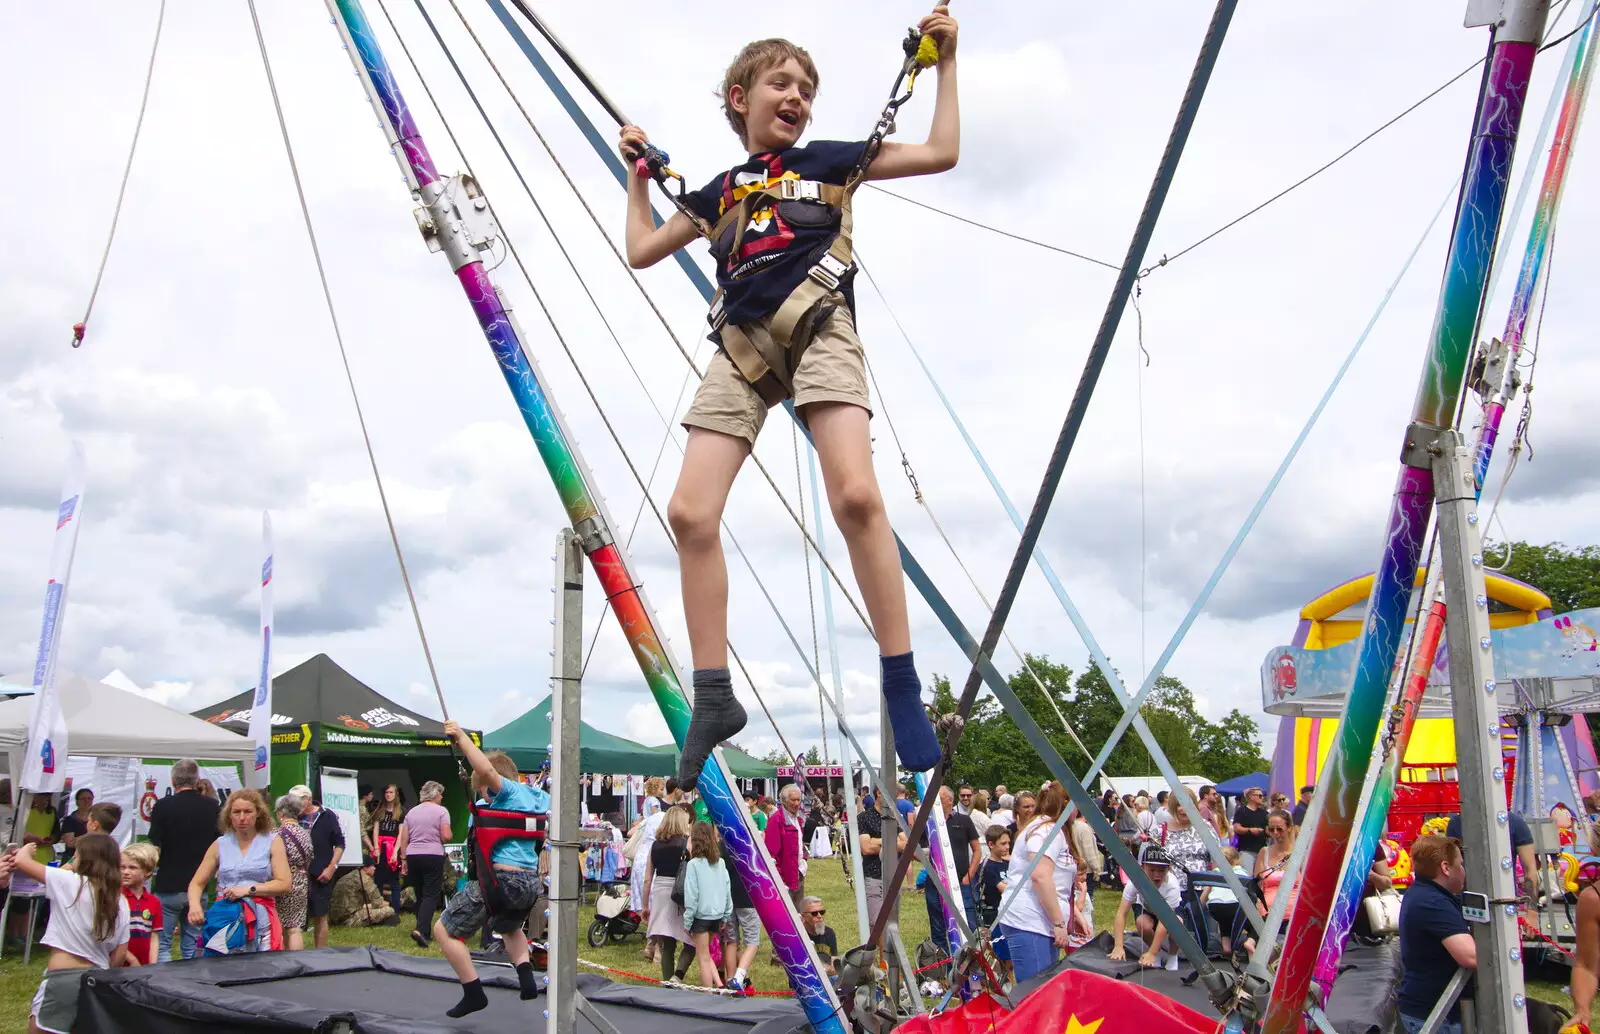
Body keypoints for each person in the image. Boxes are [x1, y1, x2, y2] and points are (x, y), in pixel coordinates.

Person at [619, 17, 961, 793]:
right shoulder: (718, 193)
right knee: (689, 513)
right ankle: (714, 698)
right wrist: (639, 178)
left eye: (806, 90)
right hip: (742, 343)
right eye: (782, 84)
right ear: (740, 99)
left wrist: (946, 67)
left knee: (856, 495)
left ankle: (901, 685)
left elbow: (942, 152)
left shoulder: (832, 161)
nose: (798, 97)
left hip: (818, 320)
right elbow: (641, 249)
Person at [431, 721, 547, 1016]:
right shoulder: (537, 798)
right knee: (508, 927)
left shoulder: (505, 793)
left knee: (444, 930)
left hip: (499, 881)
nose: (480, 796)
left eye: (481, 792)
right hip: (529, 884)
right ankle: (525, 979)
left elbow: (487, 771)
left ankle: (473, 992)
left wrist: (461, 739)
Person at [4, 834, 131, 1034]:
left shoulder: (70, 882)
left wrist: (27, 849)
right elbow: (119, 954)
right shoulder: (120, 901)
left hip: (64, 979)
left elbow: (22, 862)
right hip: (99, 979)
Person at [994, 783, 1083, 982]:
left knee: (1045, 990)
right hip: (1031, 922)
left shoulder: (1049, 828)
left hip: (1040, 921)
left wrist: (1071, 916)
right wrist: (1058, 923)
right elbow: (1040, 876)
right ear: (1066, 804)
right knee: (1035, 993)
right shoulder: (1046, 830)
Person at [187, 789, 291, 953]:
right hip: (226, 919)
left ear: (258, 813)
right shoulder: (220, 844)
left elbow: (284, 883)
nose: (242, 817)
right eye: (236, 812)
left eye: (248, 811)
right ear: (229, 815)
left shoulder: (272, 841)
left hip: (261, 922)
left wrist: (248, 890)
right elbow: (196, 883)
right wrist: (194, 906)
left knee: (264, 971)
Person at [1396, 836, 1476, 1034]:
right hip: (1436, 1015)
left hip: (1430, 1009)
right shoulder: (1432, 902)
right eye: (1460, 864)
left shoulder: (1423, 893)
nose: (1463, 871)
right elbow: (1470, 956)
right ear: (1446, 868)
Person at [148, 759, 222, 961]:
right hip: (199, 884)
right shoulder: (212, 806)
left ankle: (164, 984)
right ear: (197, 779)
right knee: (192, 946)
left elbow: (155, 842)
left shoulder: (162, 806)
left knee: (162, 944)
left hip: (168, 883)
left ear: (172, 780)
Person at [1109, 844, 1185, 968]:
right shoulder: (1134, 882)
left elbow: (1165, 921)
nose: (1156, 875)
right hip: (1147, 908)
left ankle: (1172, 955)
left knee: (1177, 924)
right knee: (1142, 923)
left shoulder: (1172, 886)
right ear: (1142, 868)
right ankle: (1159, 953)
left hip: (1167, 913)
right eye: (1152, 870)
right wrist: (1118, 946)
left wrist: (1151, 953)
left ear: (1169, 869)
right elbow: (1121, 913)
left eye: (1161, 871)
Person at [922, 786, 981, 946]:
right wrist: (927, 863)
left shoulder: (964, 821)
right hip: (935, 882)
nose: (935, 803)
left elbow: (977, 850)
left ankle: (971, 963)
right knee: (938, 926)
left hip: (962, 881)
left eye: (938, 800)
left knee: (968, 924)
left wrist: (970, 875)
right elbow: (912, 846)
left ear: (949, 800)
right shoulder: (928, 822)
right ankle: (943, 965)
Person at [642, 806, 693, 983]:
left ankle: (667, 980)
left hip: (660, 890)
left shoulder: (655, 845)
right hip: (681, 891)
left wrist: (645, 905)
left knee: (667, 940)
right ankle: (678, 975)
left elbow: (647, 878)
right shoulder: (687, 842)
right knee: (691, 940)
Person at [399, 780, 452, 950]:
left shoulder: (411, 813)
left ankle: (424, 930)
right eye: (441, 794)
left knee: (420, 894)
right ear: (435, 795)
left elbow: (404, 838)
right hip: (432, 854)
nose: (442, 797)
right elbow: (445, 836)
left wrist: (404, 859)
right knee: (431, 895)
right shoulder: (442, 811)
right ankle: (421, 930)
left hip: (413, 854)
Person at [291, 784, 345, 949]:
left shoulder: (326, 815)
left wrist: (331, 867)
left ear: (308, 799)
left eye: (299, 801)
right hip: (296, 874)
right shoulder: (292, 817)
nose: (295, 805)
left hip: (320, 873)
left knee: (320, 915)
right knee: (294, 917)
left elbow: (340, 844)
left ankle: (319, 954)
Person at [1445, 810, 1538, 902]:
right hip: (1467, 900)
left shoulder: (1515, 822)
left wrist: (1531, 910)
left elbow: (1530, 869)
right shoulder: (1456, 823)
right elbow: (1451, 867)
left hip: (1505, 899)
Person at [682, 821, 732, 988]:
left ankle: (708, 995)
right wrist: (725, 914)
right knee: (706, 953)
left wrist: (687, 921)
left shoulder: (693, 865)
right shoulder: (720, 863)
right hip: (717, 915)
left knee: (702, 957)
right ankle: (717, 985)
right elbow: (727, 890)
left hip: (700, 916)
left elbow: (691, 896)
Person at [857, 793, 907, 929]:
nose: (895, 797)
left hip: (893, 876)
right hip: (873, 876)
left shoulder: (894, 818)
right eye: (893, 793)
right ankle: (877, 950)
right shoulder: (864, 817)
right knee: (877, 924)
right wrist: (893, 841)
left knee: (892, 924)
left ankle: (888, 950)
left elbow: (906, 844)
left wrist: (877, 841)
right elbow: (866, 848)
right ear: (879, 793)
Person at [274, 794, 311, 952]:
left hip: (282, 880)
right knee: (295, 927)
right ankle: (298, 961)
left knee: (282, 926)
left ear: (281, 813)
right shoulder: (305, 833)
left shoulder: (277, 834)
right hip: (301, 879)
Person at [765, 784, 810, 908]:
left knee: (799, 914)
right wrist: (779, 881)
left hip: (799, 873)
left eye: (798, 800)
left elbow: (800, 844)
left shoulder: (798, 819)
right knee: (787, 915)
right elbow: (771, 854)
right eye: (793, 800)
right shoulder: (776, 820)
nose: (796, 803)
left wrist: (804, 860)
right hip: (785, 878)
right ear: (784, 801)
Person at [1158, 791, 1210, 892]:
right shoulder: (1159, 831)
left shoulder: (1205, 827)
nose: (1183, 808)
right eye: (1178, 805)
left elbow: (1218, 860)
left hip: (1203, 890)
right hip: (1171, 892)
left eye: (1187, 804)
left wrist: (1209, 890)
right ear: (1173, 807)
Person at [119, 843, 162, 966]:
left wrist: (152, 963)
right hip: (119, 964)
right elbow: (112, 935)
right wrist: (131, 959)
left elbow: (154, 935)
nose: (125, 872)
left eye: (132, 868)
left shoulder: (154, 901)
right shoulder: (116, 898)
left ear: (147, 871)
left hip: (144, 965)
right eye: (122, 867)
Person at [722, 861, 761, 995]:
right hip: (749, 898)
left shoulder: (723, 846)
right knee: (752, 943)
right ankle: (738, 978)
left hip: (729, 898)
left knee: (732, 942)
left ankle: (730, 979)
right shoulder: (750, 848)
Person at [370, 784, 406, 915]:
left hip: (393, 845)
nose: (388, 794)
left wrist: (396, 851)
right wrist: (375, 847)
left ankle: (395, 910)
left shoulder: (401, 811)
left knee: (394, 879)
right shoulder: (380, 810)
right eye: (386, 792)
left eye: (391, 792)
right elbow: (376, 829)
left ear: (395, 794)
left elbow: (401, 833)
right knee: (378, 878)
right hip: (380, 845)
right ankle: (379, 909)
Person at [1254, 810, 1298, 918]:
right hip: (1267, 915)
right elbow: (1257, 887)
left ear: (1289, 828)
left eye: (1279, 829)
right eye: (1271, 829)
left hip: (1293, 917)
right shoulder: (1264, 852)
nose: (1275, 833)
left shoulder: (1300, 853)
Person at [1232, 787, 1270, 873]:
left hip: (1262, 850)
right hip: (1247, 850)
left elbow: (1268, 829)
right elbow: (1236, 828)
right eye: (1260, 796)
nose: (1262, 798)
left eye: (1262, 795)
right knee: (1247, 875)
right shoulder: (1242, 811)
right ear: (1251, 797)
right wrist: (1250, 830)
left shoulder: (1265, 813)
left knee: (1261, 876)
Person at [979, 826, 1011, 926]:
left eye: (1008, 843)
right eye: (1003, 843)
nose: (1008, 847)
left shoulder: (1007, 863)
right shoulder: (989, 868)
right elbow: (1006, 890)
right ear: (991, 844)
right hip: (996, 916)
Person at [1069, 811, 1103, 902]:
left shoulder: (1069, 826)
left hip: (1073, 868)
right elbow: (1089, 852)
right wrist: (1096, 869)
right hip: (1086, 871)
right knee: (1087, 899)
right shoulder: (1084, 828)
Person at [799, 895, 837, 969]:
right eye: (814, 913)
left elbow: (834, 958)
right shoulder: (798, 936)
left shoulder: (829, 932)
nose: (819, 916)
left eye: (822, 912)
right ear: (803, 916)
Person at [24, 793, 60, 866]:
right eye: (41, 796)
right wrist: (29, 838)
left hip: (47, 856)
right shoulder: (25, 810)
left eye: (47, 796)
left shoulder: (52, 811)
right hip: (27, 854)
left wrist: (52, 839)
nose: (45, 799)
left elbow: (57, 832)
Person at [59, 788, 94, 860]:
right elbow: (70, 843)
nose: (86, 801)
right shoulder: (70, 820)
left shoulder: (96, 818)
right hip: (72, 858)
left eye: (89, 798)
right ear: (77, 802)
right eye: (83, 799)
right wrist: (91, 835)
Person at [968, 790, 992, 860]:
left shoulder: (972, 814)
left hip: (973, 846)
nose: (988, 801)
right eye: (986, 800)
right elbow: (992, 829)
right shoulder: (980, 815)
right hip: (982, 846)